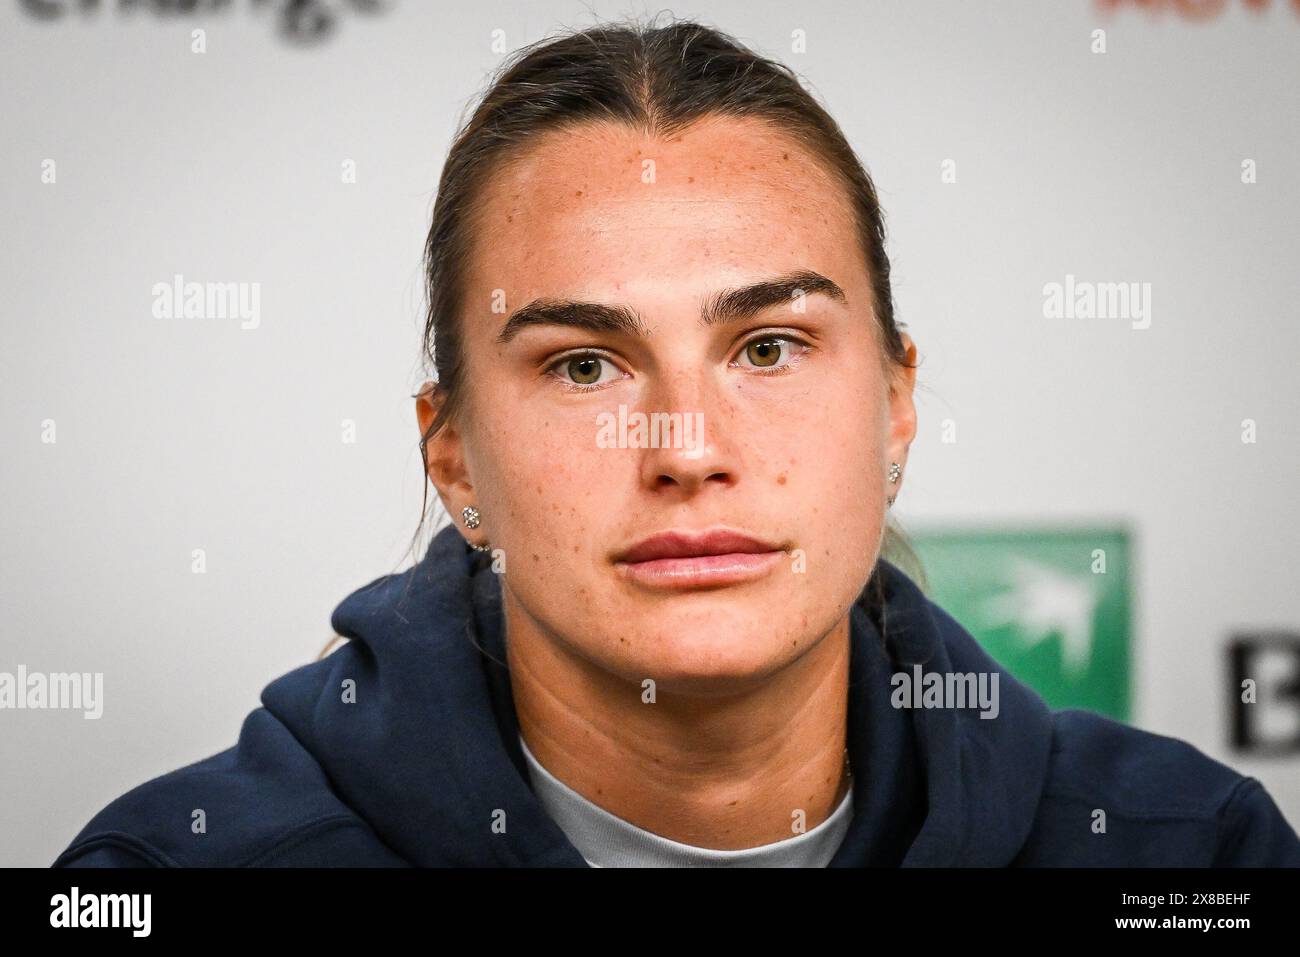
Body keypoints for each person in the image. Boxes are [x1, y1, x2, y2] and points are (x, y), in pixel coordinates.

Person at [53, 15, 1300, 868]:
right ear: (454, 462)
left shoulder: (1185, 853)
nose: (685, 445)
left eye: (767, 347)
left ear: (896, 406)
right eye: (584, 365)